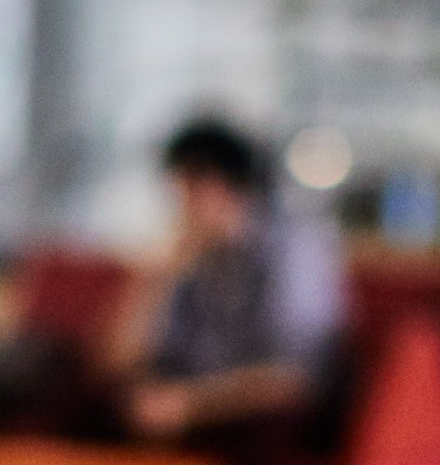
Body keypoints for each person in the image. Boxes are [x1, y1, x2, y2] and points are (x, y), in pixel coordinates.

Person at [106, 119, 343, 465]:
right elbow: (117, 363)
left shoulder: (296, 249)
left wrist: (188, 406)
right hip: (186, 412)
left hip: (258, 422)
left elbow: (294, 377)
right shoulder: (191, 257)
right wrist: (155, 277)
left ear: (220, 185)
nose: (178, 204)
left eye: (186, 187)